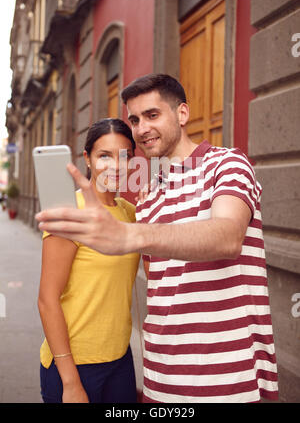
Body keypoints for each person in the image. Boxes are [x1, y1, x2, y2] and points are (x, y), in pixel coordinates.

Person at [36, 74, 279, 403]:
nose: (141, 128)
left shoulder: (227, 165)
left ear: (181, 114)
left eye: (152, 115)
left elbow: (228, 236)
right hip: (161, 378)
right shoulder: (148, 198)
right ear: (87, 157)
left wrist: (128, 234)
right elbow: (163, 289)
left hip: (229, 376)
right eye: (134, 119)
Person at [38, 118, 140, 403]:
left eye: (124, 156)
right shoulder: (68, 213)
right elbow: (47, 299)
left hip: (120, 357)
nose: (115, 165)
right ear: (87, 158)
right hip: (73, 362)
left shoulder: (132, 213)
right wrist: (70, 382)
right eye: (104, 156)